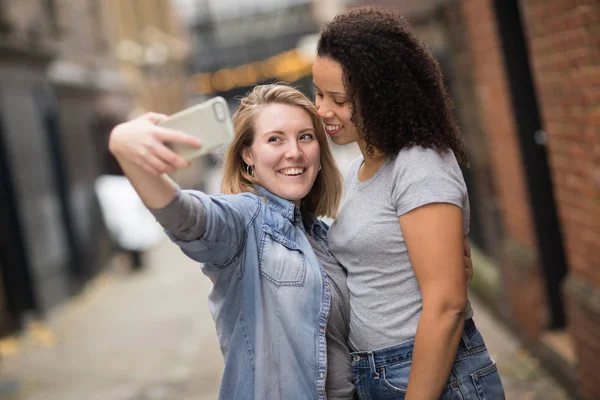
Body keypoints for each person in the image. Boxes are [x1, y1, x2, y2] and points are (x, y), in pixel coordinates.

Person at [312, 6, 505, 399]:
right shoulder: (359, 170)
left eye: (338, 99)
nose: (322, 110)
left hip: (428, 375)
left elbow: (447, 306)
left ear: (381, 95)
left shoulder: (419, 165)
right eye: (317, 93)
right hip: (378, 373)